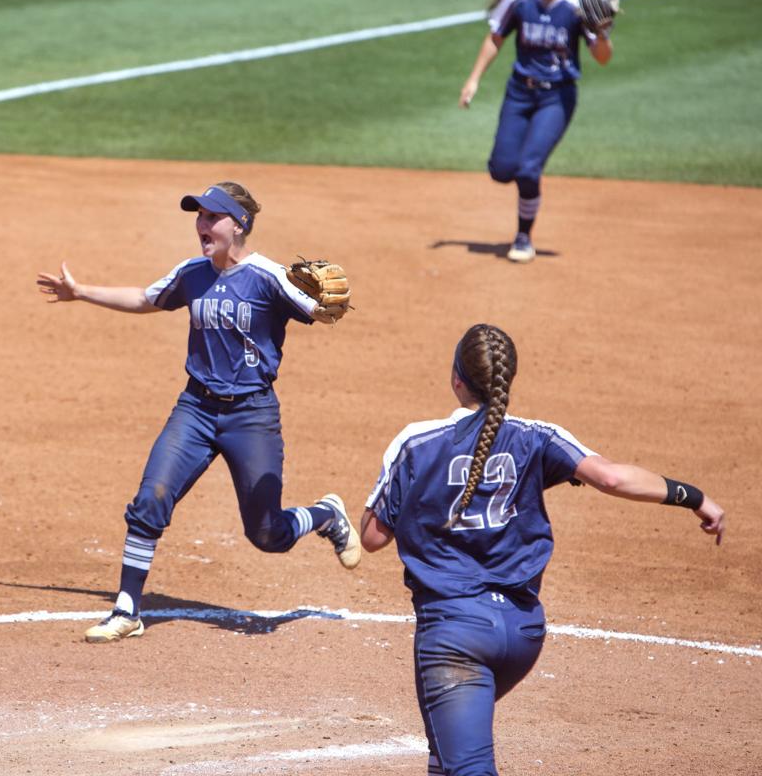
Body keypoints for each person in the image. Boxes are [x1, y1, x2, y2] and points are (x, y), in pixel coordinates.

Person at [356, 323, 726, 776]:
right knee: (446, 753)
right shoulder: (537, 436)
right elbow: (611, 478)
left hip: (455, 641)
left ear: (456, 379)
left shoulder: (415, 442)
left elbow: (373, 539)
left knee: (467, 766)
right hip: (522, 633)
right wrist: (695, 497)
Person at [37, 181, 362, 643]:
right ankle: (127, 609)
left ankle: (326, 515)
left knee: (267, 533)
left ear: (239, 225)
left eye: (213, 217)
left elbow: (322, 308)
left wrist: (331, 308)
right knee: (152, 497)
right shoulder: (192, 273)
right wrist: (81, 292)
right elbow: (147, 299)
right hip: (196, 408)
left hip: (251, 415)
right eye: (199, 216)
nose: (202, 225)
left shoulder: (269, 276)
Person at [459, 0, 614, 263]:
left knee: (528, 169)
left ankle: (523, 237)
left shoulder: (577, 5)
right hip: (519, 92)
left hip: (556, 97)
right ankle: (520, 201)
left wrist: (600, 32)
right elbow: (495, 38)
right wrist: (473, 80)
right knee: (502, 170)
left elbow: (602, 57)